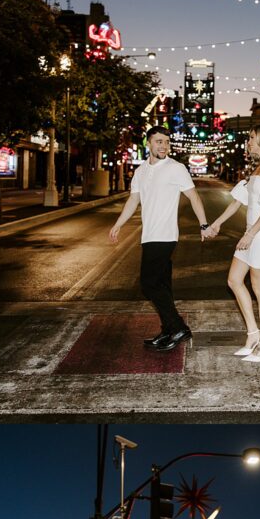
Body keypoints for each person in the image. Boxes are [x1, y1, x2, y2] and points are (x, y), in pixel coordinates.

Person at [109, 126, 210, 352]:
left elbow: (193, 197)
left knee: (148, 284)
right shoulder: (141, 171)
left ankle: (178, 327)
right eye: (158, 141)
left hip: (165, 236)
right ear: (148, 143)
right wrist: (118, 224)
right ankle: (168, 330)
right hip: (149, 235)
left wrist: (203, 224)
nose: (163, 146)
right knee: (162, 285)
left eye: (166, 141)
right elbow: (133, 201)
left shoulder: (176, 168)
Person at [205, 125, 260, 364]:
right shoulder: (258, 167)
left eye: (251, 138)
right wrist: (216, 224)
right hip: (251, 231)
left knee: (259, 288)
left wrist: (252, 234)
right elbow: (238, 201)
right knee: (233, 280)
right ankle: (253, 334)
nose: (248, 142)